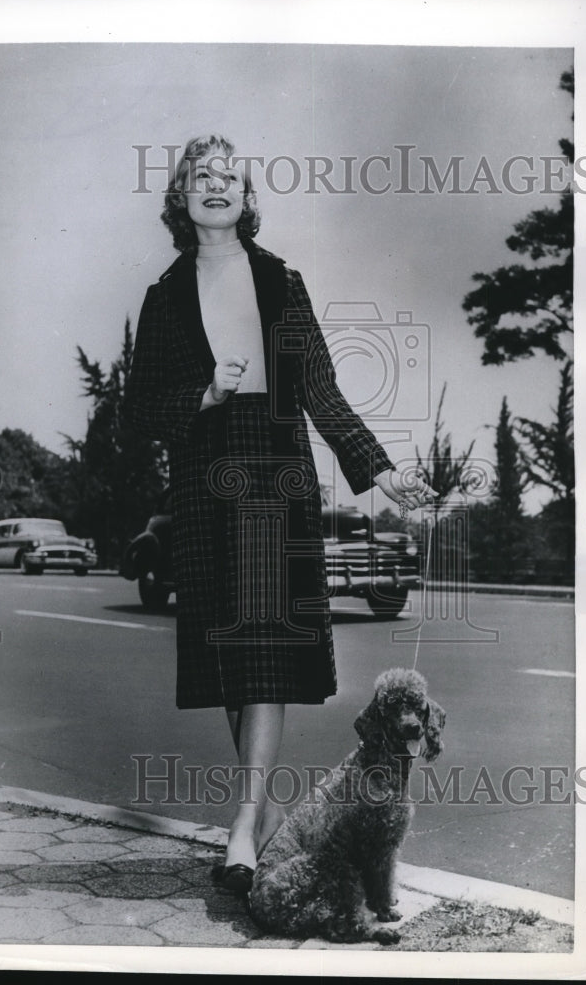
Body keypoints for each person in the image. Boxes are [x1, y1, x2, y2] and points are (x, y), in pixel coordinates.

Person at [124, 134, 436, 892]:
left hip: (273, 466)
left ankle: (243, 818)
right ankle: (257, 815)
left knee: (262, 640)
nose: (217, 185)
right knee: (234, 653)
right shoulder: (164, 295)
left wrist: (380, 469)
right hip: (203, 473)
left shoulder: (279, 281)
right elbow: (135, 414)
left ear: (247, 197)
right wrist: (202, 396)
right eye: (202, 176)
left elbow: (320, 389)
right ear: (180, 197)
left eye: (230, 176)